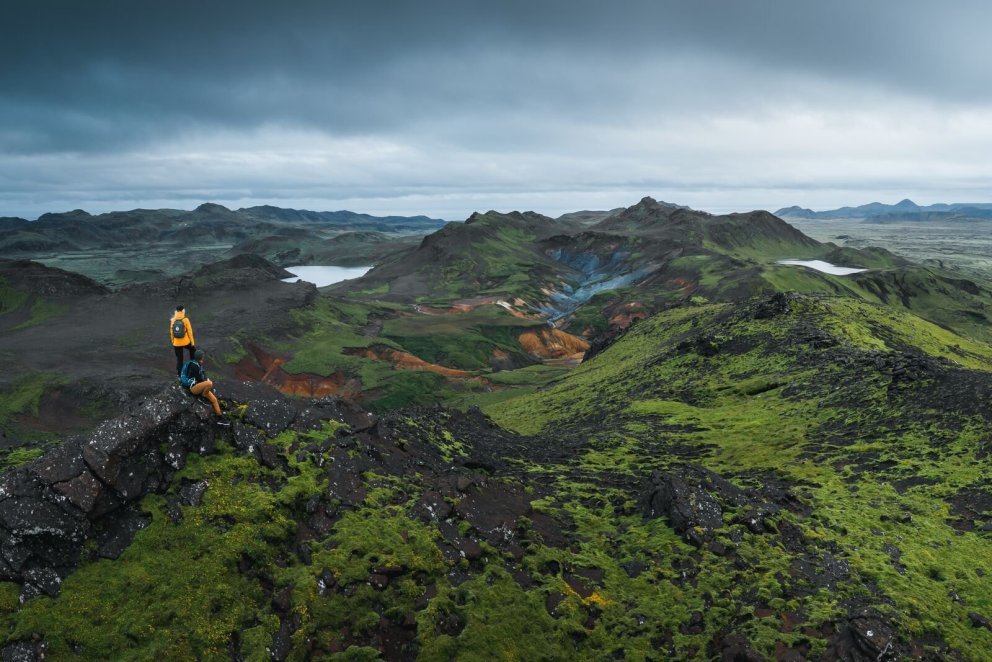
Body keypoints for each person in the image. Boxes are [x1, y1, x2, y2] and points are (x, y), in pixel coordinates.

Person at [182, 349, 222, 416]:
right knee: (210, 383)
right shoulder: (194, 366)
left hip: (202, 387)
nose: (203, 357)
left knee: (214, 400)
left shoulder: (199, 364)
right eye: (202, 356)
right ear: (200, 357)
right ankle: (204, 395)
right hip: (194, 388)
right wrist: (207, 381)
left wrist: (206, 379)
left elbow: (203, 374)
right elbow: (199, 379)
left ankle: (219, 415)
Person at [170, 305, 196, 377]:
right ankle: (193, 366)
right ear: (183, 310)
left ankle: (179, 374)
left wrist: (173, 342)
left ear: (176, 311)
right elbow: (190, 332)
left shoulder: (173, 320)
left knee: (179, 359)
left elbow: (171, 332)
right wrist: (192, 343)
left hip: (176, 343)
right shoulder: (185, 319)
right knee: (192, 350)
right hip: (186, 342)